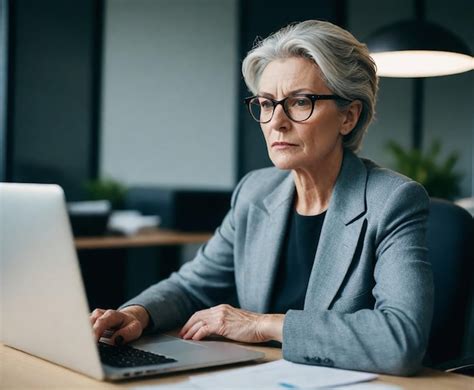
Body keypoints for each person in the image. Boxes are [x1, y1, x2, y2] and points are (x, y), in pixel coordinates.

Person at [91, 20, 433, 376]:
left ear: (348, 116)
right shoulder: (256, 191)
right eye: (266, 103)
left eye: (301, 102)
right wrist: (136, 314)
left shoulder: (393, 200)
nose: (276, 122)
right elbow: (192, 285)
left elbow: (401, 339)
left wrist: (264, 325)